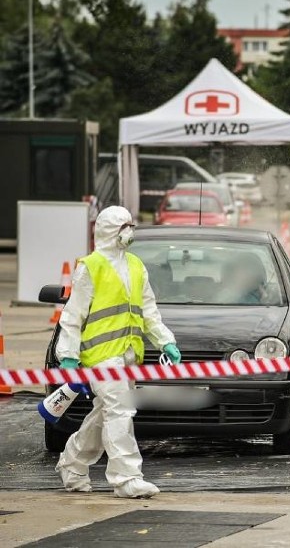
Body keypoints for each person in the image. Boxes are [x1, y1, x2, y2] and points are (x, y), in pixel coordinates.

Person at [55, 206, 180, 498]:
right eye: (125, 226)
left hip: (126, 354)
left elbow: (149, 311)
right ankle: (126, 478)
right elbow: (72, 316)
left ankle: (72, 463)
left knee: (106, 413)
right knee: (120, 409)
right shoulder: (91, 266)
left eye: (131, 225)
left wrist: (165, 341)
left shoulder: (136, 265)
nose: (130, 232)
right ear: (111, 230)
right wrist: (69, 356)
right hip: (99, 356)